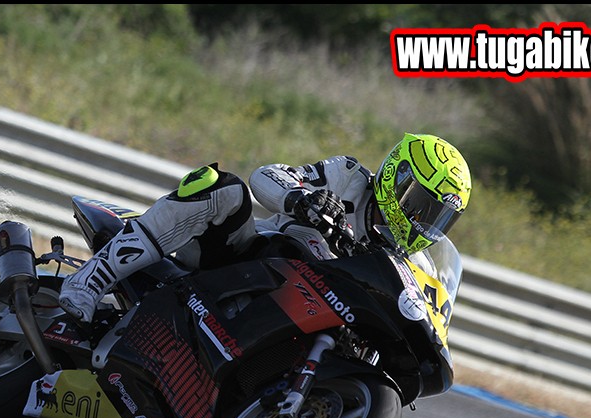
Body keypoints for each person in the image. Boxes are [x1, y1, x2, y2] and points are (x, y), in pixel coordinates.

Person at [56, 132, 472, 326]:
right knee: (224, 188)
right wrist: (303, 198)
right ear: (398, 177)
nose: (422, 222)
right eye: (422, 205)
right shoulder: (348, 178)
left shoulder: (412, 261)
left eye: (437, 217)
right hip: (246, 260)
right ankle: (90, 280)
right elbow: (268, 175)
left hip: (306, 314)